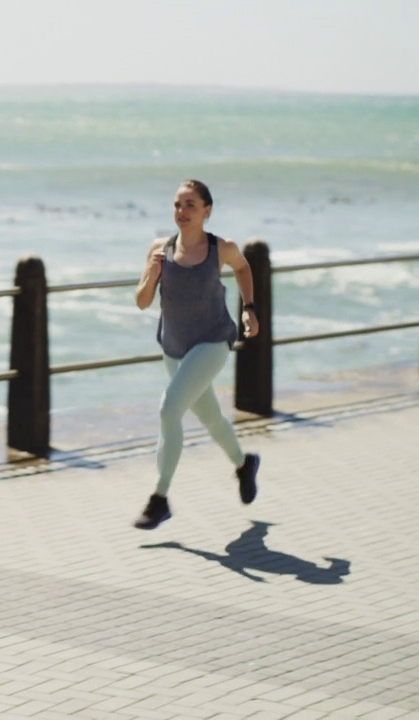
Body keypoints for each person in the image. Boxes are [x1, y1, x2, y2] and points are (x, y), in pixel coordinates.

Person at [133, 179, 261, 530]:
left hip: (212, 341)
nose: (182, 212)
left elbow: (243, 267)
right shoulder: (160, 249)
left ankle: (159, 498)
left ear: (207, 211)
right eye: (177, 205)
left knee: (169, 408)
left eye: (190, 205)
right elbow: (142, 302)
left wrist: (249, 307)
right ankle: (243, 463)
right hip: (173, 348)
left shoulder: (221, 248)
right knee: (211, 418)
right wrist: (152, 274)